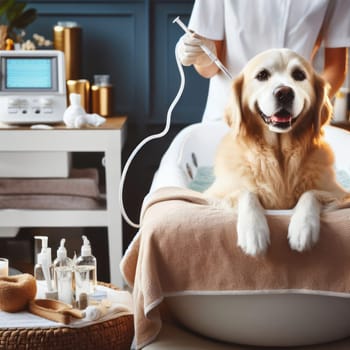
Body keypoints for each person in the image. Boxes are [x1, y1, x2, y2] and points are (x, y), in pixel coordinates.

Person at [176, 0, 350, 122]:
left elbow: (336, 67)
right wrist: (202, 55)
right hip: (229, 115)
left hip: (295, 117)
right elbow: (208, 70)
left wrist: (308, 104)